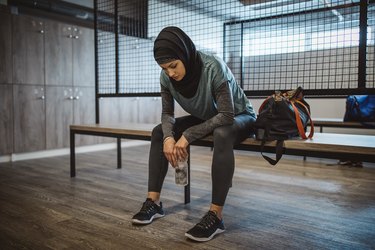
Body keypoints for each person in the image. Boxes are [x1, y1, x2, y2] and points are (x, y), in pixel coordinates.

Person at [132, 26, 256, 242]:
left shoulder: (212, 66)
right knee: (159, 132)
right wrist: (169, 137)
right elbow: (167, 113)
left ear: (184, 54)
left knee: (222, 134)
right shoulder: (166, 77)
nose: (170, 73)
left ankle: (216, 216)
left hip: (240, 115)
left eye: (173, 66)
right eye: (164, 68)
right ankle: (154, 202)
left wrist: (187, 135)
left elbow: (226, 115)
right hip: (208, 116)